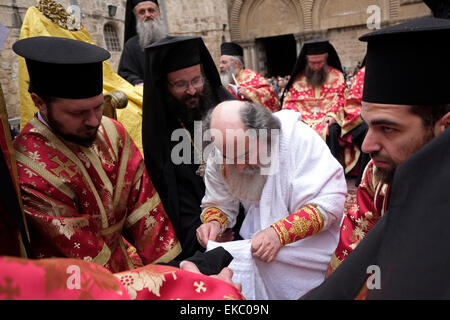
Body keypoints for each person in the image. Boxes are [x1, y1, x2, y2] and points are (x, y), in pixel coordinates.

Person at [12, 36, 233, 277]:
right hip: (84, 280)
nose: (94, 121)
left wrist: (181, 270)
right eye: (78, 113)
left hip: (136, 266)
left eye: (97, 107)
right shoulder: (31, 169)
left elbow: (146, 212)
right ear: (39, 103)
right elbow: (84, 259)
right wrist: (164, 281)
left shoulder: (111, 132)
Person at [304, 16, 450, 299]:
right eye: (367, 125)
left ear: (444, 127)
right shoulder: (376, 175)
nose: (367, 145)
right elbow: (348, 274)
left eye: (388, 128)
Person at [195, 100, 347, 299]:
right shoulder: (221, 152)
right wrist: (214, 223)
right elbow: (219, 202)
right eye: (230, 158)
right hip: (258, 243)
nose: (239, 166)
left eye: (245, 154)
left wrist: (278, 234)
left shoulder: (298, 138)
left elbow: (330, 204)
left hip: (312, 245)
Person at [142, 36, 240, 261]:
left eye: (197, 80)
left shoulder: (226, 107)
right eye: (180, 84)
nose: (192, 90)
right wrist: (206, 235)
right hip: (198, 234)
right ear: (164, 86)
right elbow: (174, 198)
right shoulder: (161, 132)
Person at [281, 39, 362, 176]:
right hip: (304, 119)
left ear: (326, 59)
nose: (316, 66)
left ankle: (332, 171)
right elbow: (289, 102)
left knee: (333, 130)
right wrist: (298, 119)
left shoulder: (336, 75)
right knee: (293, 131)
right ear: (306, 61)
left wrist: (333, 116)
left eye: (320, 63)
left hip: (328, 118)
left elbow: (342, 99)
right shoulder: (298, 79)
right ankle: (300, 172)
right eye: (312, 63)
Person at [219, 42, 280, 112]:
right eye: (220, 63)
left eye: (224, 62)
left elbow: (269, 94)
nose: (220, 66)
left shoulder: (252, 76)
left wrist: (249, 93)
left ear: (236, 63)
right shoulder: (227, 82)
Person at [118, 0, 167, 86]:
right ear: (136, 17)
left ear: (158, 13)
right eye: (142, 12)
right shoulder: (130, 46)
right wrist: (137, 82)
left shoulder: (170, 42)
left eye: (151, 10)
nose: (147, 15)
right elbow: (126, 74)